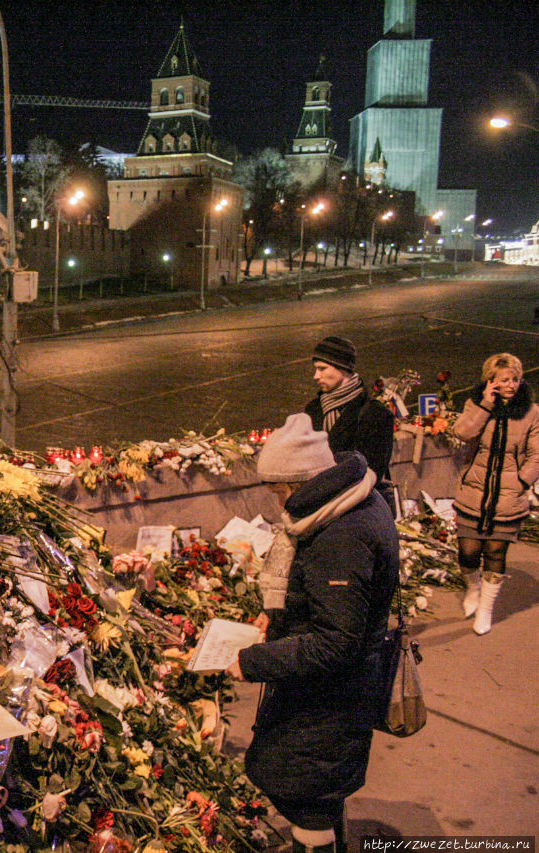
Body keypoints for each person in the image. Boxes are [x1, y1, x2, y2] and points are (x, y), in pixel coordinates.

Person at [228, 414, 399, 853]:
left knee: (303, 792)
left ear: (305, 481)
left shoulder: (341, 535)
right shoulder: (352, 501)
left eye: (280, 490)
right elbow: (323, 598)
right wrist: (276, 615)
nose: (278, 500)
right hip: (336, 691)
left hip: (330, 696)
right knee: (314, 788)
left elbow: (336, 640)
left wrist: (252, 661)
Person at [451, 353, 539, 635]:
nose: (512, 385)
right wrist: (486, 404)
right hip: (473, 491)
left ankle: (486, 609)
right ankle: (472, 589)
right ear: (491, 381)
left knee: (496, 551)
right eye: (504, 380)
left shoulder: (532, 412)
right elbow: (462, 432)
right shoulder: (475, 403)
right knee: (468, 551)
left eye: (515, 379)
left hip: (508, 495)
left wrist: (522, 483)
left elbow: (537, 454)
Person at [303, 336, 395, 509]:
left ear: (343, 368)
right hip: (318, 505)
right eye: (316, 369)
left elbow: (372, 473)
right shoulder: (313, 410)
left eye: (322, 369)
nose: (316, 376)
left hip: (359, 509)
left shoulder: (376, 414)